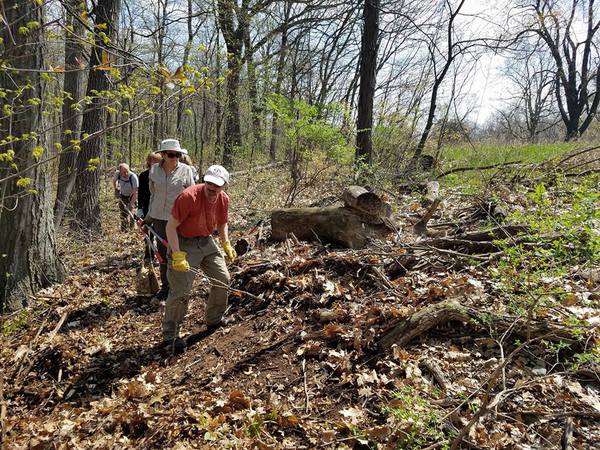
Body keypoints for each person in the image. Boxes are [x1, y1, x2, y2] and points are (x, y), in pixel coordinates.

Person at [162, 164, 237, 352]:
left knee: (223, 279)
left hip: (206, 241)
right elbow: (170, 227)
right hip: (183, 242)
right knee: (181, 291)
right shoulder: (188, 197)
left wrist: (225, 242)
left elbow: (222, 223)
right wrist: (177, 254)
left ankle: (214, 318)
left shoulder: (223, 200)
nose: (212, 188)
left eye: (217, 185)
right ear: (204, 180)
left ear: (224, 185)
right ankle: (171, 335)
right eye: (209, 182)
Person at [147, 139, 195, 300]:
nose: (175, 157)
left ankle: (181, 286)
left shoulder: (186, 170)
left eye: (178, 155)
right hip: (159, 218)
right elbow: (152, 194)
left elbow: (192, 194)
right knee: (162, 253)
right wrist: (148, 215)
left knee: (178, 251)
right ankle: (166, 287)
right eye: (171, 154)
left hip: (178, 218)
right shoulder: (154, 170)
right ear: (163, 155)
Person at [137, 152, 162, 261]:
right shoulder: (143, 175)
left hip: (161, 207)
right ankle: (149, 253)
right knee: (148, 231)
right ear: (149, 162)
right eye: (153, 161)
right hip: (148, 207)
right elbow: (141, 193)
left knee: (160, 232)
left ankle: (161, 254)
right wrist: (140, 208)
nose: (156, 163)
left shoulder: (163, 175)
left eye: (158, 161)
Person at [113, 163, 139, 231]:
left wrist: (131, 204)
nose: (126, 173)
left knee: (132, 214)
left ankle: (132, 229)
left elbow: (135, 192)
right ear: (120, 171)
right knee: (123, 213)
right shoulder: (117, 174)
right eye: (123, 172)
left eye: (127, 171)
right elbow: (114, 181)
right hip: (123, 195)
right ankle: (124, 229)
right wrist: (116, 189)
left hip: (132, 196)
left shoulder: (133, 177)